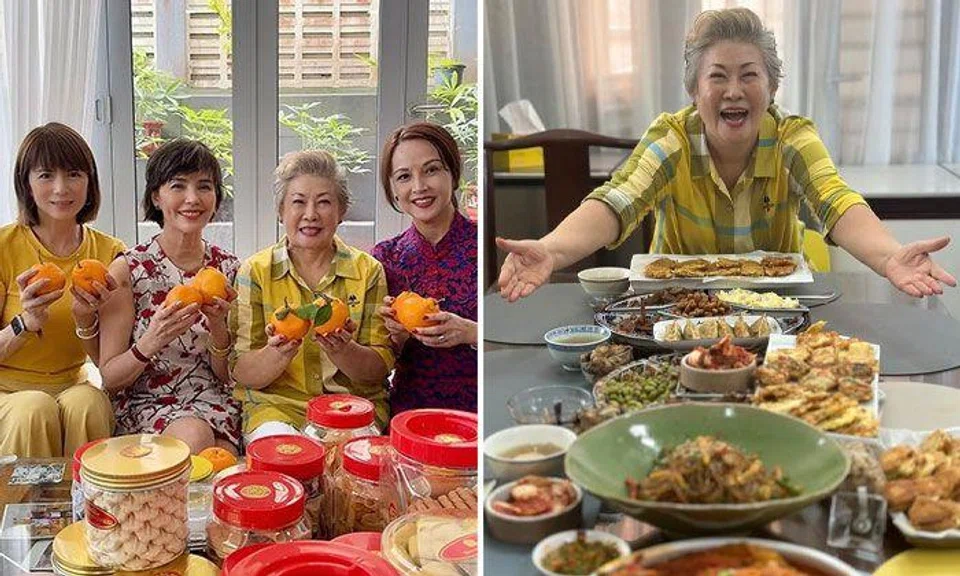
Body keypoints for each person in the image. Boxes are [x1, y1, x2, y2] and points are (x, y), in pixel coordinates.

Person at [497, 7, 956, 302]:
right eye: (717, 76)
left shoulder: (794, 139)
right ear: (695, 90)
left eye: (749, 75)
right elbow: (618, 201)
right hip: (676, 311)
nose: (733, 91)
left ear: (771, 87)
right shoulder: (672, 137)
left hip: (779, 313)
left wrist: (890, 257)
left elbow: (836, 202)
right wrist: (551, 251)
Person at [231, 150, 394, 442]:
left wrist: (343, 350)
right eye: (298, 202)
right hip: (277, 409)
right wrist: (276, 353)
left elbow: (379, 368)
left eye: (324, 202)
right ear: (281, 211)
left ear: (341, 211)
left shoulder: (368, 271)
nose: (310, 214)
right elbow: (241, 370)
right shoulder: (255, 271)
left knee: (346, 470)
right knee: (286, 465)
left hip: (351, 409)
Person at [99, 139, 240, 454]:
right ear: (156, 197)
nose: (192, 199)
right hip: (149, 402)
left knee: (223, 462)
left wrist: (218, 326)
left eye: (204, 186)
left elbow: (227, 375)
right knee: (194, 440)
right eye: (178, 186)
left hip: (215, 401)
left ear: (216, 198)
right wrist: (153, 338)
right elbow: (109, 377)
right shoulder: (128, 271)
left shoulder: (228, 269)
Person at [0, 123, 124, 457]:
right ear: (26, 183)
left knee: (91, 403)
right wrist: (25, 322)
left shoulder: (111, 253)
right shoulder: (3, 247)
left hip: (73, 383)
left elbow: (111, 363)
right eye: (45, 176)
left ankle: (93, 508)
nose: (61, 188)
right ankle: (19, 509)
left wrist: (87, 319)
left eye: (73, 174)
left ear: (89, 181)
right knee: (33, 410)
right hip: (8, 394)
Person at [373, 122, 477, 414]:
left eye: (431, 170)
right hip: (410, 416)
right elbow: (375, 367)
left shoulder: (488, 247)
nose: (419, 187)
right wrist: (396, 336)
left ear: (453, 175)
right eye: (404, 176)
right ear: (393, 190)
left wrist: (471, 332)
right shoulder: (384, 258)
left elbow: (522, 336)